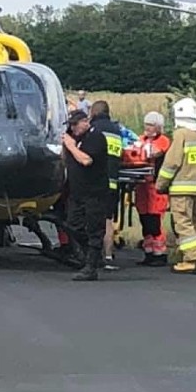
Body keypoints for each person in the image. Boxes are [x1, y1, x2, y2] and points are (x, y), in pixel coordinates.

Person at [155, 97, 196, 274]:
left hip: (181, 189)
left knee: (183, 223)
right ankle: (192, 256)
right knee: (195, 224)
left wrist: (160, 184)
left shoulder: (181, 134)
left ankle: (192, 259)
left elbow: (171, 163)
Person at [62, 109, 107, 281]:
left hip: (94, 192)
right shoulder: (76, 138)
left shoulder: (95, 137)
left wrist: (71, 146)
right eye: (71, 125)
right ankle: (90, 256)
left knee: (95, 228)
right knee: (73, 225)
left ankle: (91, 266)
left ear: (85, 122)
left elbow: (86, 160)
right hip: (77, 192)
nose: (73, 129)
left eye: (75, 124)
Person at [88, 100, 123, 270]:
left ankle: (92, 256)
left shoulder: (94, 130)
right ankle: (108, 256)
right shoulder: (116, 130)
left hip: (96, 181)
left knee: (93, 219)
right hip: (113, 181)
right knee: (108, 219)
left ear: (93, 112)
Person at [134, 111, 172, 266]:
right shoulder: (140, 139)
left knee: (155, 219)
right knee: (144, 217)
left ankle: (159, 254)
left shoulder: (163, 140)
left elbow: (155, 153)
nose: (148, 128)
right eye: (146, 124)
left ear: (158, 127)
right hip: (141, 185)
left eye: (151, 125)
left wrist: (142, 149)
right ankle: (148, 251)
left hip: (156, 186)